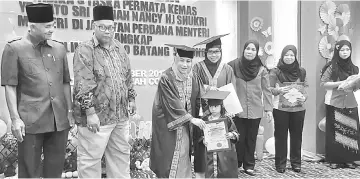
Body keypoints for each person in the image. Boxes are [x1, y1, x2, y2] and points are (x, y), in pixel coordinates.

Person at [1, 3, 72, 178]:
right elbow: (10, 85)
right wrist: (15, 119)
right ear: (32, 27)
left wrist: (69, 112)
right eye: (47, 26)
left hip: (58, 121)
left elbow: (65, 83)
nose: (52, 29)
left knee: (55, 172)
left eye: (53, 25)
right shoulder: (14, 49)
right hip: (30, 122)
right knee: (29, 172)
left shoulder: (59, 48)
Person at [72, 5, 137, 178]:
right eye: (102, 27)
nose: (107, 31)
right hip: (96, 118)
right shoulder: (85, 50)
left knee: (121, 158)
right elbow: (83, 84)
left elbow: (127, 75)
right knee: (90, 161)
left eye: (111, 27)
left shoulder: (119, 48)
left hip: (120, 116)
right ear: (93, 26)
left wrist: (131, 98)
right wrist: (90, 112)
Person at [150, 44, 207, 178]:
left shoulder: (193, 76)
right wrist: (191, 119)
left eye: (188, 61)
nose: (185, 65)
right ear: (175, 57)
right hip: (168, 124)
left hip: (185, 125)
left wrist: (212, 108)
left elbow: (200, 97)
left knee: (183, 154)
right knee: (169, 157)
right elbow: (171, 103)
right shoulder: (166, 77)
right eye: (182, 60)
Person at [192, 33, 236, 178]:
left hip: (221, 112)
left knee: (222, 143)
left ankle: (223, 173)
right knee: (202, 143)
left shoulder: (227, 68)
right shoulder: (198, 67)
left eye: (216, 51)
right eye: (210, 52)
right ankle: (202, 174)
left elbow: (231, 90)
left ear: (221, 52)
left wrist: (230, 110)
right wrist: (207, 88)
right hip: (203, 111)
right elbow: (193, 87)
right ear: (206, 52)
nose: (213, 55)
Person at [228, 40, 273, 176]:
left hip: (255, 109)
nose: (250, 51)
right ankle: (237, 163)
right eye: (248, 48)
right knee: (238, 138)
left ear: (257, 52)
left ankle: (249, 165)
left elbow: (267, 90)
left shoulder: (261, 69)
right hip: (237, 109)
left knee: (251, 138)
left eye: (253, 49)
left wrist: (269, 109)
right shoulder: (233, 66)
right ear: (243, 50)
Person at [320, 40, 360, 169]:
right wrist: (342, 82)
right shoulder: (331, 66)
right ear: (337, 51)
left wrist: (354, 84)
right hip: (334, 102)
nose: (345, 52)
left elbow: (355, 87)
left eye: (347, 50)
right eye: (342, 50)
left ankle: (349, 159)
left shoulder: (354, 68)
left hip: (350, 103)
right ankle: (334, 160)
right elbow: (324, 84)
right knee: (336, 132)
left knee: (350, 131)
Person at [269, 45, 308, 173]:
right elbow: (269, 89)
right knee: (280, 136)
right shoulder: (275, 71)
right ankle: (280, 164)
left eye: (292, 55)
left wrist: (304, 97)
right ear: (282, 56)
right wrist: (278, 90)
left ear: (295, 56)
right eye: (286, 55)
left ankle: (296, 163)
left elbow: (305, 88)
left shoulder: (301, 71)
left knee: (297, 136)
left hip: (298, 108)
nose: (289, 57)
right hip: (280, 109)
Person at [193, 90, 240, 178]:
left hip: (224, 152)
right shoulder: (205, 120)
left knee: (225, 172)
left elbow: (235, 133)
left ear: (221, 106)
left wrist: (231, 135)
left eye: (216, 106)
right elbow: (199, 136)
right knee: (210, 172)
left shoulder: (227, 119)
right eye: (211, 106)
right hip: (210, 153)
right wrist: (203, 140)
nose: (213, 109)